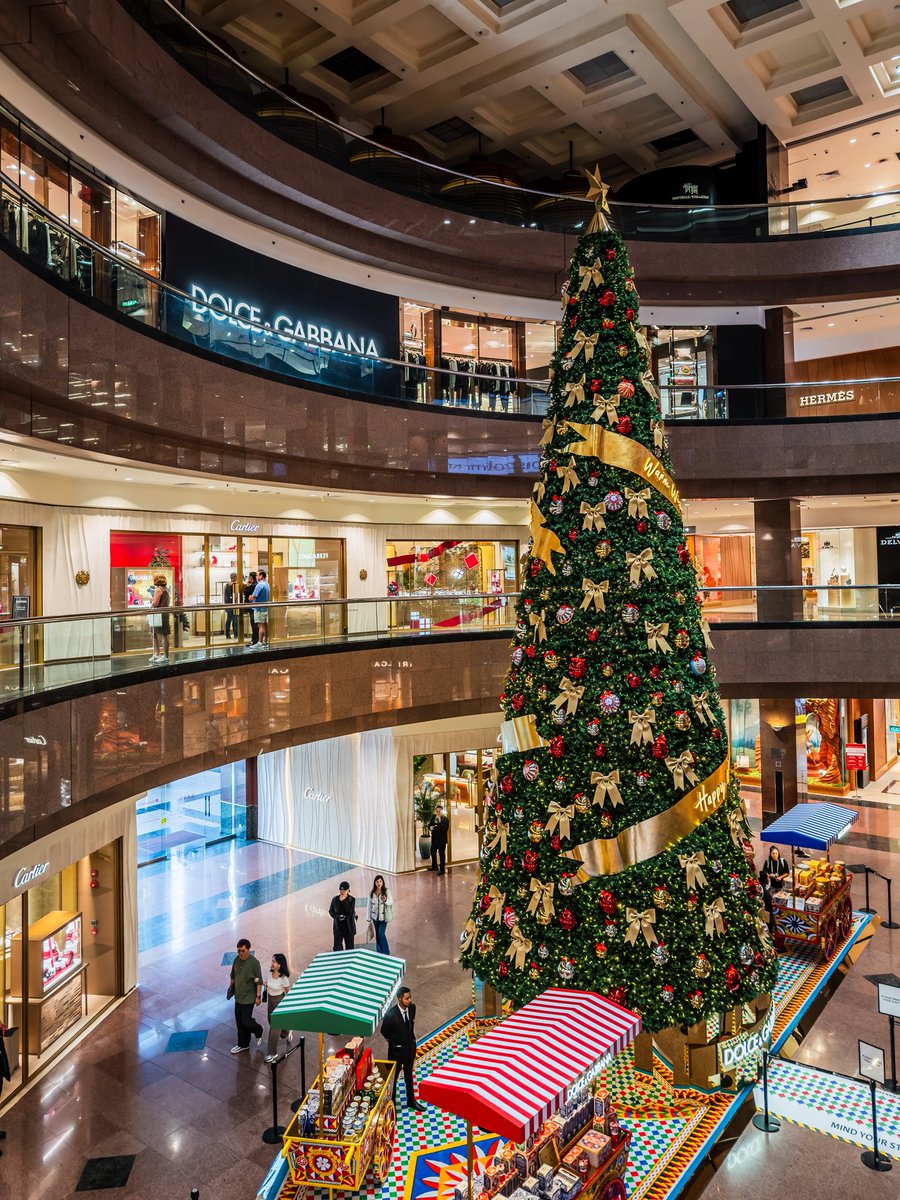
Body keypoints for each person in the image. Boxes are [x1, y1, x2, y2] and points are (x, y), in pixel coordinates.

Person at [380, 986, 425, 1112]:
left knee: (408, 1075)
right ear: (399, 999)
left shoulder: (412, 1008)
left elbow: (411, 1025)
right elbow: (384, 1031)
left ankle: (411, 1100)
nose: (410, 1000)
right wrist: (394, 1042)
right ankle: (392, 1104)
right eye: (407, 998)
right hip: (396, 1052)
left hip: (410, 1049)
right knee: (393, 1079)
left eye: (410, 997)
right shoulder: (390, 1015)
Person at [228, 938, 263, 1054]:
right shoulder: (236, 960)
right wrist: (230, 989)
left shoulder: (254, 963)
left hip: (249, 997)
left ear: (248, 949)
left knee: (246, 1021)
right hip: (238, 997)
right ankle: (243, 1044)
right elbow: (233, 976)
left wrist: (258, 997)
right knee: (239, 1021)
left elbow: (259, 981)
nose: (240, 953)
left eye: (243, 951)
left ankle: (258, 1029)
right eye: (238, 951)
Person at [264, 953, 293, 1063]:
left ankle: (272, 1053)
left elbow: (288, 992)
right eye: (272, 961)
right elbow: (268, 984)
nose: (272, 963)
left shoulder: (283, 978)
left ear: (279, 965)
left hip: (279, 1002)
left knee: (274, 1029)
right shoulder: (269, 973)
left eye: (274, 962)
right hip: (270, 1002)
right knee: (271, 1022)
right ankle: (286, 1029)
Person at [366, 875, 393, 955]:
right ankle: (379, 952)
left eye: (380, 881)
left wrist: (385, 900)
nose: (379, 883)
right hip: (375, 918)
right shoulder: (371, 893)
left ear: (383, 882)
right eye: (377, 882)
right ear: (375, 883)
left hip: (383, 917)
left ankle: (386, 952)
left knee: (381, 934)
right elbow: (369, 906)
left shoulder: (387, 891)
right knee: (377, 936)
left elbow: (391, 902)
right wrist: (368, 917)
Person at [149, 574, 171, 664]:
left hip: (158, 614)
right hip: (164, 614)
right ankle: (163, 655)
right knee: (163, 634)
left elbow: (155, 604)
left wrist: (151, 601)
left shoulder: (158, 590)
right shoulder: (165, 589)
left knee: (154, 633)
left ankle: (159, 654)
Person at [329, 881, 357, 950]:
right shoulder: (335, 899)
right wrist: (337, 917)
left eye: (344, 890)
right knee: (337, 948)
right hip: (338, 927)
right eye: (341, 890)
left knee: (350, 948)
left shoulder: (351, 899)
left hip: (349, 927)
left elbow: (350, 912)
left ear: (348, 890)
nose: (342, 892)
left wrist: (344, 901)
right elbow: (331, 911)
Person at [249, 567, 270, 649]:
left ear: (261, 576)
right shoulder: (267, 584)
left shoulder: (259, 585)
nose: (256, 577)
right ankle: (265, 641)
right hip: (266, 608)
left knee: (260, 626)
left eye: (257, 575)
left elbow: (253, 597)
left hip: (259, 608)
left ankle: (260, 642)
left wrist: (250, 597)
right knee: (266, 625)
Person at [430, 805, 449, 875]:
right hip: (434, 839)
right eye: (437, 811)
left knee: (441, 855)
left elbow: (445, 829)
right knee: (432, 852)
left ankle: (442, 869)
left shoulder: (445, 819)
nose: (438, 813)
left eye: (439, 811)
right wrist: (430, 827)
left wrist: (440, 821)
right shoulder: (433, 817)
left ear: (442, 812)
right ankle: (434, 867)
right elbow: (430, 825)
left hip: (442, 840)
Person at [243, 571, 259, 645]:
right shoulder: (256, 585)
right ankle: (255, 639)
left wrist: (247, 585)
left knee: (254, 624)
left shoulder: (253, 585)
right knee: (254, 624)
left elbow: (245, 592)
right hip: (253, 606)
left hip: (252, 606)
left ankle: (255, 640)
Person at [224, 572, 239, 639]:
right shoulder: (231, 585)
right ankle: (234, 634)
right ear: (235, 577)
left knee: (231, 619)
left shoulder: (227, 585)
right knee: (232, 619)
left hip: (229, 604)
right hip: (231, 604)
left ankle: (231, 634)